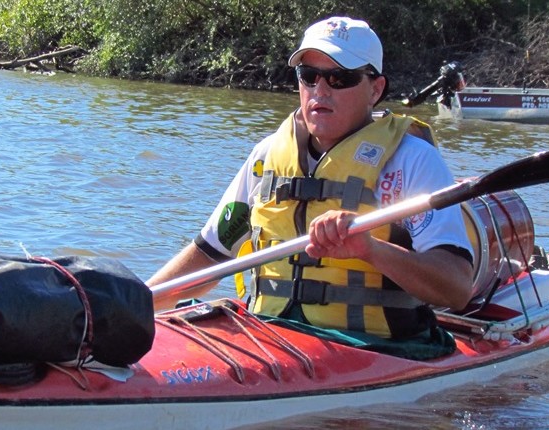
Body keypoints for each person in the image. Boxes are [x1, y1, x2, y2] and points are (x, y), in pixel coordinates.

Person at [146, 17, 474, 358]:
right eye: (309, 76)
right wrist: (136, 301)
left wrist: (371, 249)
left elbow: (456, 287)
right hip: (267, 338)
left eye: (339, 78)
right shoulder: (267, 156)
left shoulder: (411, 161)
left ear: (375, 90)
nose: (320, 90)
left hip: (374, 348)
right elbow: (209, 255)